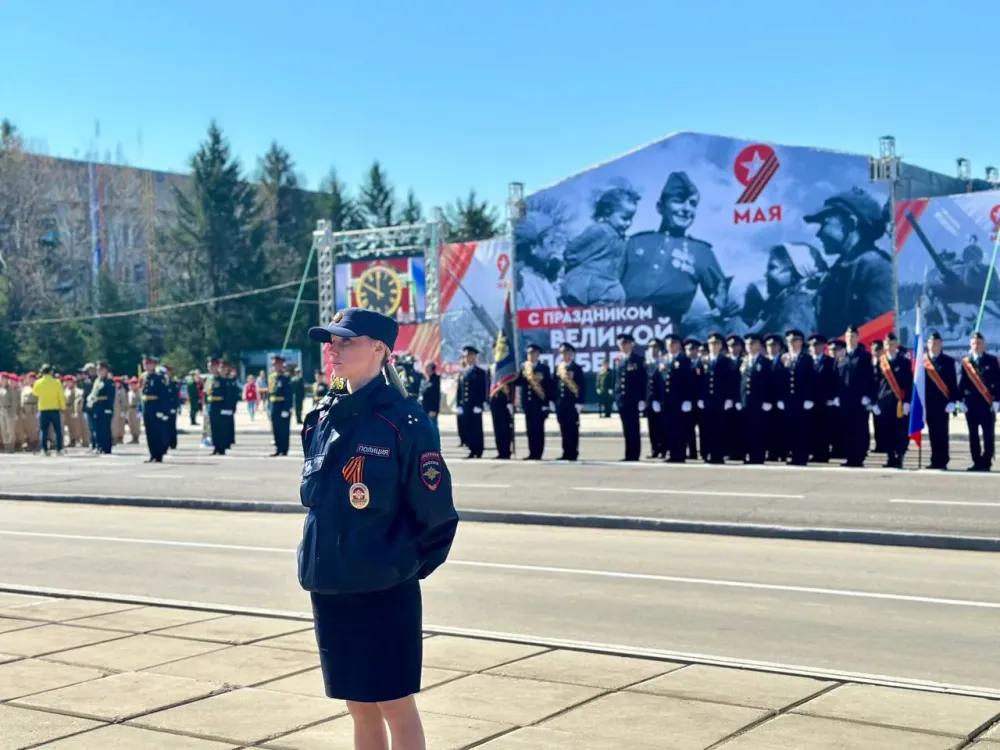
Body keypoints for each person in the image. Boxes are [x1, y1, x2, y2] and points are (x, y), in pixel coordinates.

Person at [302, 308, 459, 750]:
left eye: (346, 341)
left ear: (379, 350)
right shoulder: (322, 416)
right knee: (358, 703)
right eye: (330, 340)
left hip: (383, 588)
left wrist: (396, 566)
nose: (333, 348)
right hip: (331, 583)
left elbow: (435, 514)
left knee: (394, 702)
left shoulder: (404, 421)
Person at [957, 331, 1000, 471]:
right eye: (974, 343)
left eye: (979, 343)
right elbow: (962, 383)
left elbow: (998, 382)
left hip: (987, 404)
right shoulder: (966, 362)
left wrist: (997, 400)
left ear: (984, 345)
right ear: (970, 344)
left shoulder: (992, 361)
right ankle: (976, 461)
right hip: (971, 404)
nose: (976, 345)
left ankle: (986, 461)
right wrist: (960, 400)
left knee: (988, 434)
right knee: (973, 435)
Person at [836, 326, 875, 468]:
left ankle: (859, 456)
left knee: (859, 428)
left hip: (859, 399)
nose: (850, 339)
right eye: (847, 336)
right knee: (846, 428)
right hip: (845, 399)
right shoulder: (840, 355)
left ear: (858, 338)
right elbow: (836, 377)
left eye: (853, 336)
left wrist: (867, 396)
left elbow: (870, 378)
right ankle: (850, 456)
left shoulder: (864, 356)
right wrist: (836, 395)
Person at [698, 332, 738, 464]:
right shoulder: (703, 361)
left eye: (716, 344)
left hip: (721, 399)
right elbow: (697, 381)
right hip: (707, 400)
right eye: (711, 344)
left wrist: (730, 398)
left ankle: (718, 454)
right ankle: (706, 453)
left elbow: (732, 381)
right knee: (706, 428)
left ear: (721, 346)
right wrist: (699, 398)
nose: (713, 346)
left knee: (720, 428)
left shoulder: (727, 362)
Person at [874, 332, 913, 469]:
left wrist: (908, 401)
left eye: (892, 344)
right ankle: (890, 457)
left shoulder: (904, 362)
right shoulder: (880, 362)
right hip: (884, 402)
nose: (889, 346)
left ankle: (900, 455)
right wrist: (874, 402)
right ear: (884, 346)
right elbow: (875, 382)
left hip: (899, 402)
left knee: (900, 432)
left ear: (896, 345)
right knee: (886, 431)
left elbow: (909, 383)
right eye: (887, 344)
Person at [923, 331, 959, 470]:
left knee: (942, 432)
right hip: (928, 403)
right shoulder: (923, 362)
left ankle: (943, 459)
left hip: (943, 403)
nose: (933, 345)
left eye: (936, 343)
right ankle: (934, 459)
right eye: (931, 343)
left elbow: (952, 383)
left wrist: (952, 401)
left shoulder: (948, 361)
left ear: (940, 344)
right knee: (932, 432)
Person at [782, 329, 816, 466]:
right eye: (789, 341)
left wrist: (809, 398)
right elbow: (780, 380)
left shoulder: (807, 359)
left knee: (802, 428)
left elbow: (811, 380)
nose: (792, 344)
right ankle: (792, 454)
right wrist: (781, 398)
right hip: (789, 400)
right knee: (790, 428)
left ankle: (802, 455)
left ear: (801, 342)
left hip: (802, 399)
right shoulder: (784, 358)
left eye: (795, 341)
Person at [738, 334, 774, 464]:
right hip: (745, 402)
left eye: (753, 343)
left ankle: (758, 455)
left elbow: (769, 383)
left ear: (759, 345)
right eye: (747, 344)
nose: (750, 346)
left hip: (759, 402)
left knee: (758, 430)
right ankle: (748, 454)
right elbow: (740, 382)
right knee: (746, 429)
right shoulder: (744, 361)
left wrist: (768, 400)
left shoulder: (765, 362)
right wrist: (739, 400)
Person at [516, 343, 553, 460]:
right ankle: (532, 452)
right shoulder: (523, 368)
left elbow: (548, 387)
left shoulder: (544, 369)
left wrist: (547, 404)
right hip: (528, 404)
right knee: (530, 430)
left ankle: (538, 453)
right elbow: (519, 384)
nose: (531, 356)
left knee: (538, 430)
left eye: (533, 353)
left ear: (538, 355)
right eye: (529, 353)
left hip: (539, 404)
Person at [661, 334, 695, 463]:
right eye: (668, 344)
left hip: (679, 400)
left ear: (678, 345)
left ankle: (680, 454)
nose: (670, 347)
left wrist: (687, 399)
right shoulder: (665, 359)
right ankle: (672, 453)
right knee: (669, 427)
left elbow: (689, 381)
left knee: (679, 428)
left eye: (673, 344)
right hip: (667, 400)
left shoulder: (684, 360)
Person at [614, 332, 647, 461]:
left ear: (631, 345)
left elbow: (642, 380)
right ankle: (628, 454)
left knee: (634, 427)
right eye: (621, 344)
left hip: (633, 399)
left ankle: (635, 454)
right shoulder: (618, 360)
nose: (623, 347)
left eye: (625, 344)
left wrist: (642, 399)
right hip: (622, 399)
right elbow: (616, 379)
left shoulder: (638, 360)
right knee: (626, 427)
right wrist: (615, 397)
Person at [808, 334, 837, 463]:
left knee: (824, 428)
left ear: (823, 346)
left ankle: (823, 454)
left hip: (825, 401)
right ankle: (813, 452)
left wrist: (832, 397)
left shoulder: (830, 361)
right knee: (811, 427)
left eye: (818, 345)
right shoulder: (806, 361)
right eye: (812, 345)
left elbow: (834, 380)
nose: (815, 348)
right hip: (810, 401)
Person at [554, 342, 585, 461]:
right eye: (562, 353)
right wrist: (553, 401)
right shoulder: (559, 368)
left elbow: (582, 385)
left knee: (573, 428)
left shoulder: (576, 368)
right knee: (563, 428)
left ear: (572, 354)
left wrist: (580, 402)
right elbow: (554, 385)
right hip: (561, 403)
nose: (564, 355)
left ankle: (573, 452)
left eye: (567, 353)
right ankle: (565, 452)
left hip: (572, 403)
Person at [456, 346, 487, 459]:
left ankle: (478, 450)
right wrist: (458, 404)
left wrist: (480, 404)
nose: (467, 358)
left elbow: (483, 389)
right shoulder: (463, 372)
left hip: (475, 405)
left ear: (474, 357)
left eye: (469, 356)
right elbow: (459, 390)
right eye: (465, 356)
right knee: (467, 428)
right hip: (465, 405)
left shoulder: (480, 372)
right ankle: (471, 449)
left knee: (476, 428)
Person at [31, 365, 66, 456]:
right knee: (57, 430)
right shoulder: (57, 382)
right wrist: (63, 407)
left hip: (43, 409)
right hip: (54, 409)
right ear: (50, 372)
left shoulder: (38, 382)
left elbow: (35, 393)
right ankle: (59, 449)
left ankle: (44, 449)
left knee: (44, 430)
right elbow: (61, 396)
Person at [141, 355, 169, 463]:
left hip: (155, 407)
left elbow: (163, 395)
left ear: (153, 365)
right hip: (146, 407)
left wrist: (162, 410)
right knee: (149, 432)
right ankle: (152, 454)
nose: (146, 366)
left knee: (157, 432)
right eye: (145, 364)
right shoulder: (144, 377)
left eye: (148, 364)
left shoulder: (159, 378)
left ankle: (158, 455)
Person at [88, 363, 115, 455]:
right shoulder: (97, 381)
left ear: (106, 371)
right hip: (97, 407)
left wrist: (109, 408)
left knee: (105, 429)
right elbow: (93, 393)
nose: (100, 372)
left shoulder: (109, 381)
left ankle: (106, 448)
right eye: (98, 370)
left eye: (102, 370)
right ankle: (99, 446)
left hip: (105, 407)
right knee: (97, 428)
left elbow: (111, 396)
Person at [269, 355, 293, 456]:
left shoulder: (285, 378)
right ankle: (278, 448)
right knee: (276, 428)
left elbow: (289, 394)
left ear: (280, 365)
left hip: (282, 405)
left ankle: (284, 449)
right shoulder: (272, 377)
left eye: (275, 364)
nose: (274, 366)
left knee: (284, 429)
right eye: (273, 364)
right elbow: (270, 393)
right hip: (274, 405)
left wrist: (287, 408)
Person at [420, 362, 440, 435]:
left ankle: (437, 446)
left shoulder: (436, 379)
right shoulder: (424, 379)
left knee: (433, 428)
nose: (425, 368)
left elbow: (436, 396)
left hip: (431, 409)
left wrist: (434, 409)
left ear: (431, 368)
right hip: (424, 408)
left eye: (427, 367)